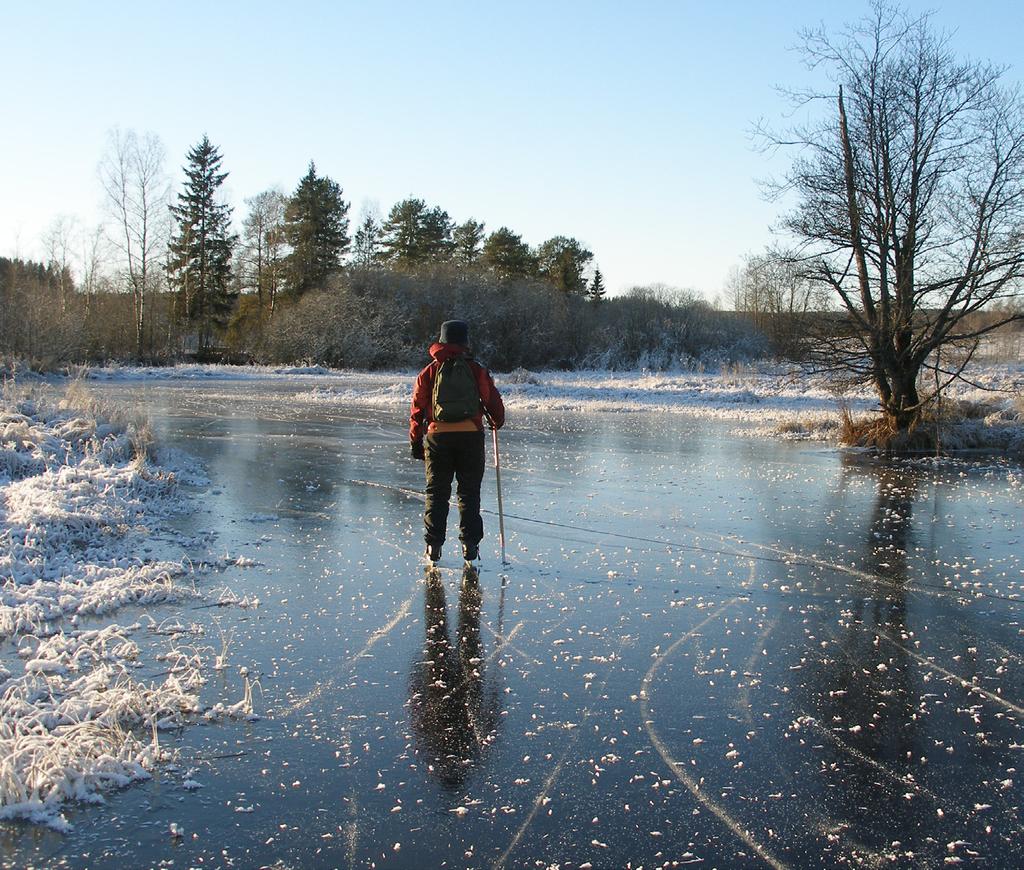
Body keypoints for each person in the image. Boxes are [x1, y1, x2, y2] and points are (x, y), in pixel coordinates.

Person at [409, 320, 504, 565]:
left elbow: (417, 410)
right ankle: (470, 546)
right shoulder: (476, 370)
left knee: (436, 493)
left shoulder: (429, 372)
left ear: (441, 342)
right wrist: (496, 421)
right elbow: (493, 402)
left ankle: (433, 546)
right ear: (465, 342)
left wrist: (416, 441)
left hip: (437, 438)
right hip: (470, 437)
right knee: (469, 493)